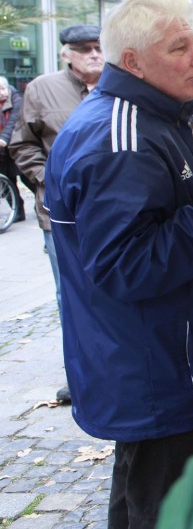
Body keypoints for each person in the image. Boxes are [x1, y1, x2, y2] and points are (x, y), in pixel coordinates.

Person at [43, 0, 193, 528]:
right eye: (181, 48)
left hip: (159, 361)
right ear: (132, 61)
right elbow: (127, 265)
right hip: (157, 367)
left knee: (145, 495)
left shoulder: (147, 119)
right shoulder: (122, 138)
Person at [10, 24, 105, 405]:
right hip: (61, 218)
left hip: (111, 212)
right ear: (66, 53)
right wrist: (49, 183)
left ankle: (114, 371)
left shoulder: (120, 87)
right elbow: (23, 144)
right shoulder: (43, 89)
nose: (94, 54)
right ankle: (82, 377)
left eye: (98, 47)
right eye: (84, 48)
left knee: (115, 291)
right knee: (71, 296)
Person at [0, 77, 27, 223]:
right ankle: (17, 211)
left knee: (27, 178)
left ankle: (44, 203)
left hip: (17, 145)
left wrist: (4, 138)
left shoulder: (17, 100)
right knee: (8, 180)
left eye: (2, 89)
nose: (1, 93)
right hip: (3, 152)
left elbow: (13, 122)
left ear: (8, 88)